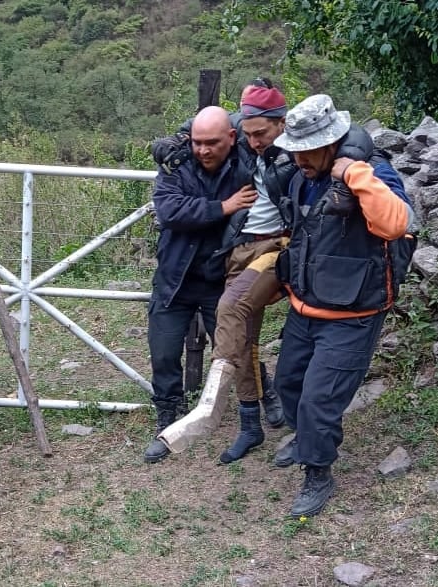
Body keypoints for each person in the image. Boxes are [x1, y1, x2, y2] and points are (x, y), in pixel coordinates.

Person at [270, 94, 415, 518]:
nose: (297, 159)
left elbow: (397, 223)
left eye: (305, 150)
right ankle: (305, 438)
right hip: (306, 306)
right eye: (293, 150)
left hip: (354, 314)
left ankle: (318, 471)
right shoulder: (302, 174)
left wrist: (356, 174)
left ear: (331, 142)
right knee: (289, 385)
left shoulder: (373, 172)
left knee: (318, 400)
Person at [157, 82, 297, 463]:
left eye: (261, 134)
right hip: (237, 250)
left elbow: (351, 144)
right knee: (245, 339)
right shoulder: (246, 141)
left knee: (230, 309)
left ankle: (207, 410)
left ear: (283, 124)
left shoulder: (298, 151)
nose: (253, 142)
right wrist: (175, 140)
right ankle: (250, 425)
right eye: (248, 135)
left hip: (273, 246)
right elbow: (208, 127)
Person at [144, 105, 256, 464]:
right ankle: (169, 413)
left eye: (212, 143)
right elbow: (170, 212)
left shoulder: (246, 165)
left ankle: (255, 406)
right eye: (197, 142)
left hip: (219, 278)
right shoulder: (175, 166)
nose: (203, 150)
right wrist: (223, 207)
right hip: (174, 279)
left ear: (231, 138)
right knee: (163, 352)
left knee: (235, 347)